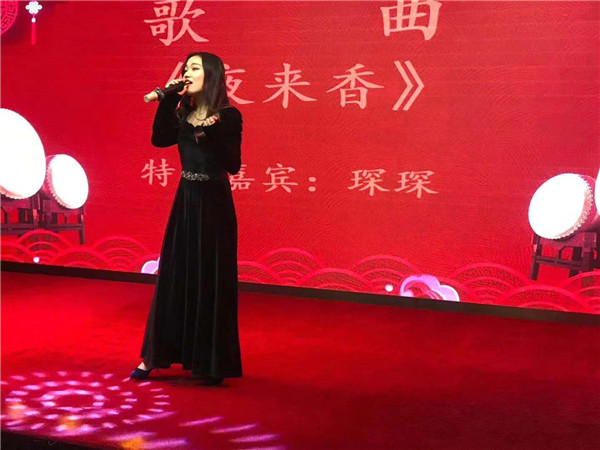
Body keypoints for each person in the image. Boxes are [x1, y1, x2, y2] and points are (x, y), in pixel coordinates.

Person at [131, 52, 243, 386]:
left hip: (215, 204)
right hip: (185, 202)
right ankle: (154, 356)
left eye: (194, 68)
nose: (187, 73)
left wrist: (211, 132)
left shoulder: (228, 115)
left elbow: (233, 164)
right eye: (185, 68)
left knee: (211, 278)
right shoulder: (184, 112)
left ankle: (210, 362)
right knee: (174, 275)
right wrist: (168, 100)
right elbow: (159, 139)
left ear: (211, 75)